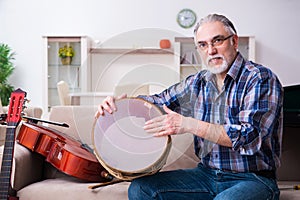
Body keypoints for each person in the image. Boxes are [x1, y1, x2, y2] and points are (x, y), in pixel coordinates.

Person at [95, 13, 283, 200]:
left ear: (234, 41)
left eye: (217, 41)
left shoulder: (260, 78)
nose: (210, 51)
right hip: (206, 175)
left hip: (253, 179)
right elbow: (157, 102)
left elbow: (249, 137)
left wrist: (188, 124)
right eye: (203, 45)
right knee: (141, 189)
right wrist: (117, 105)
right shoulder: (198, 82)